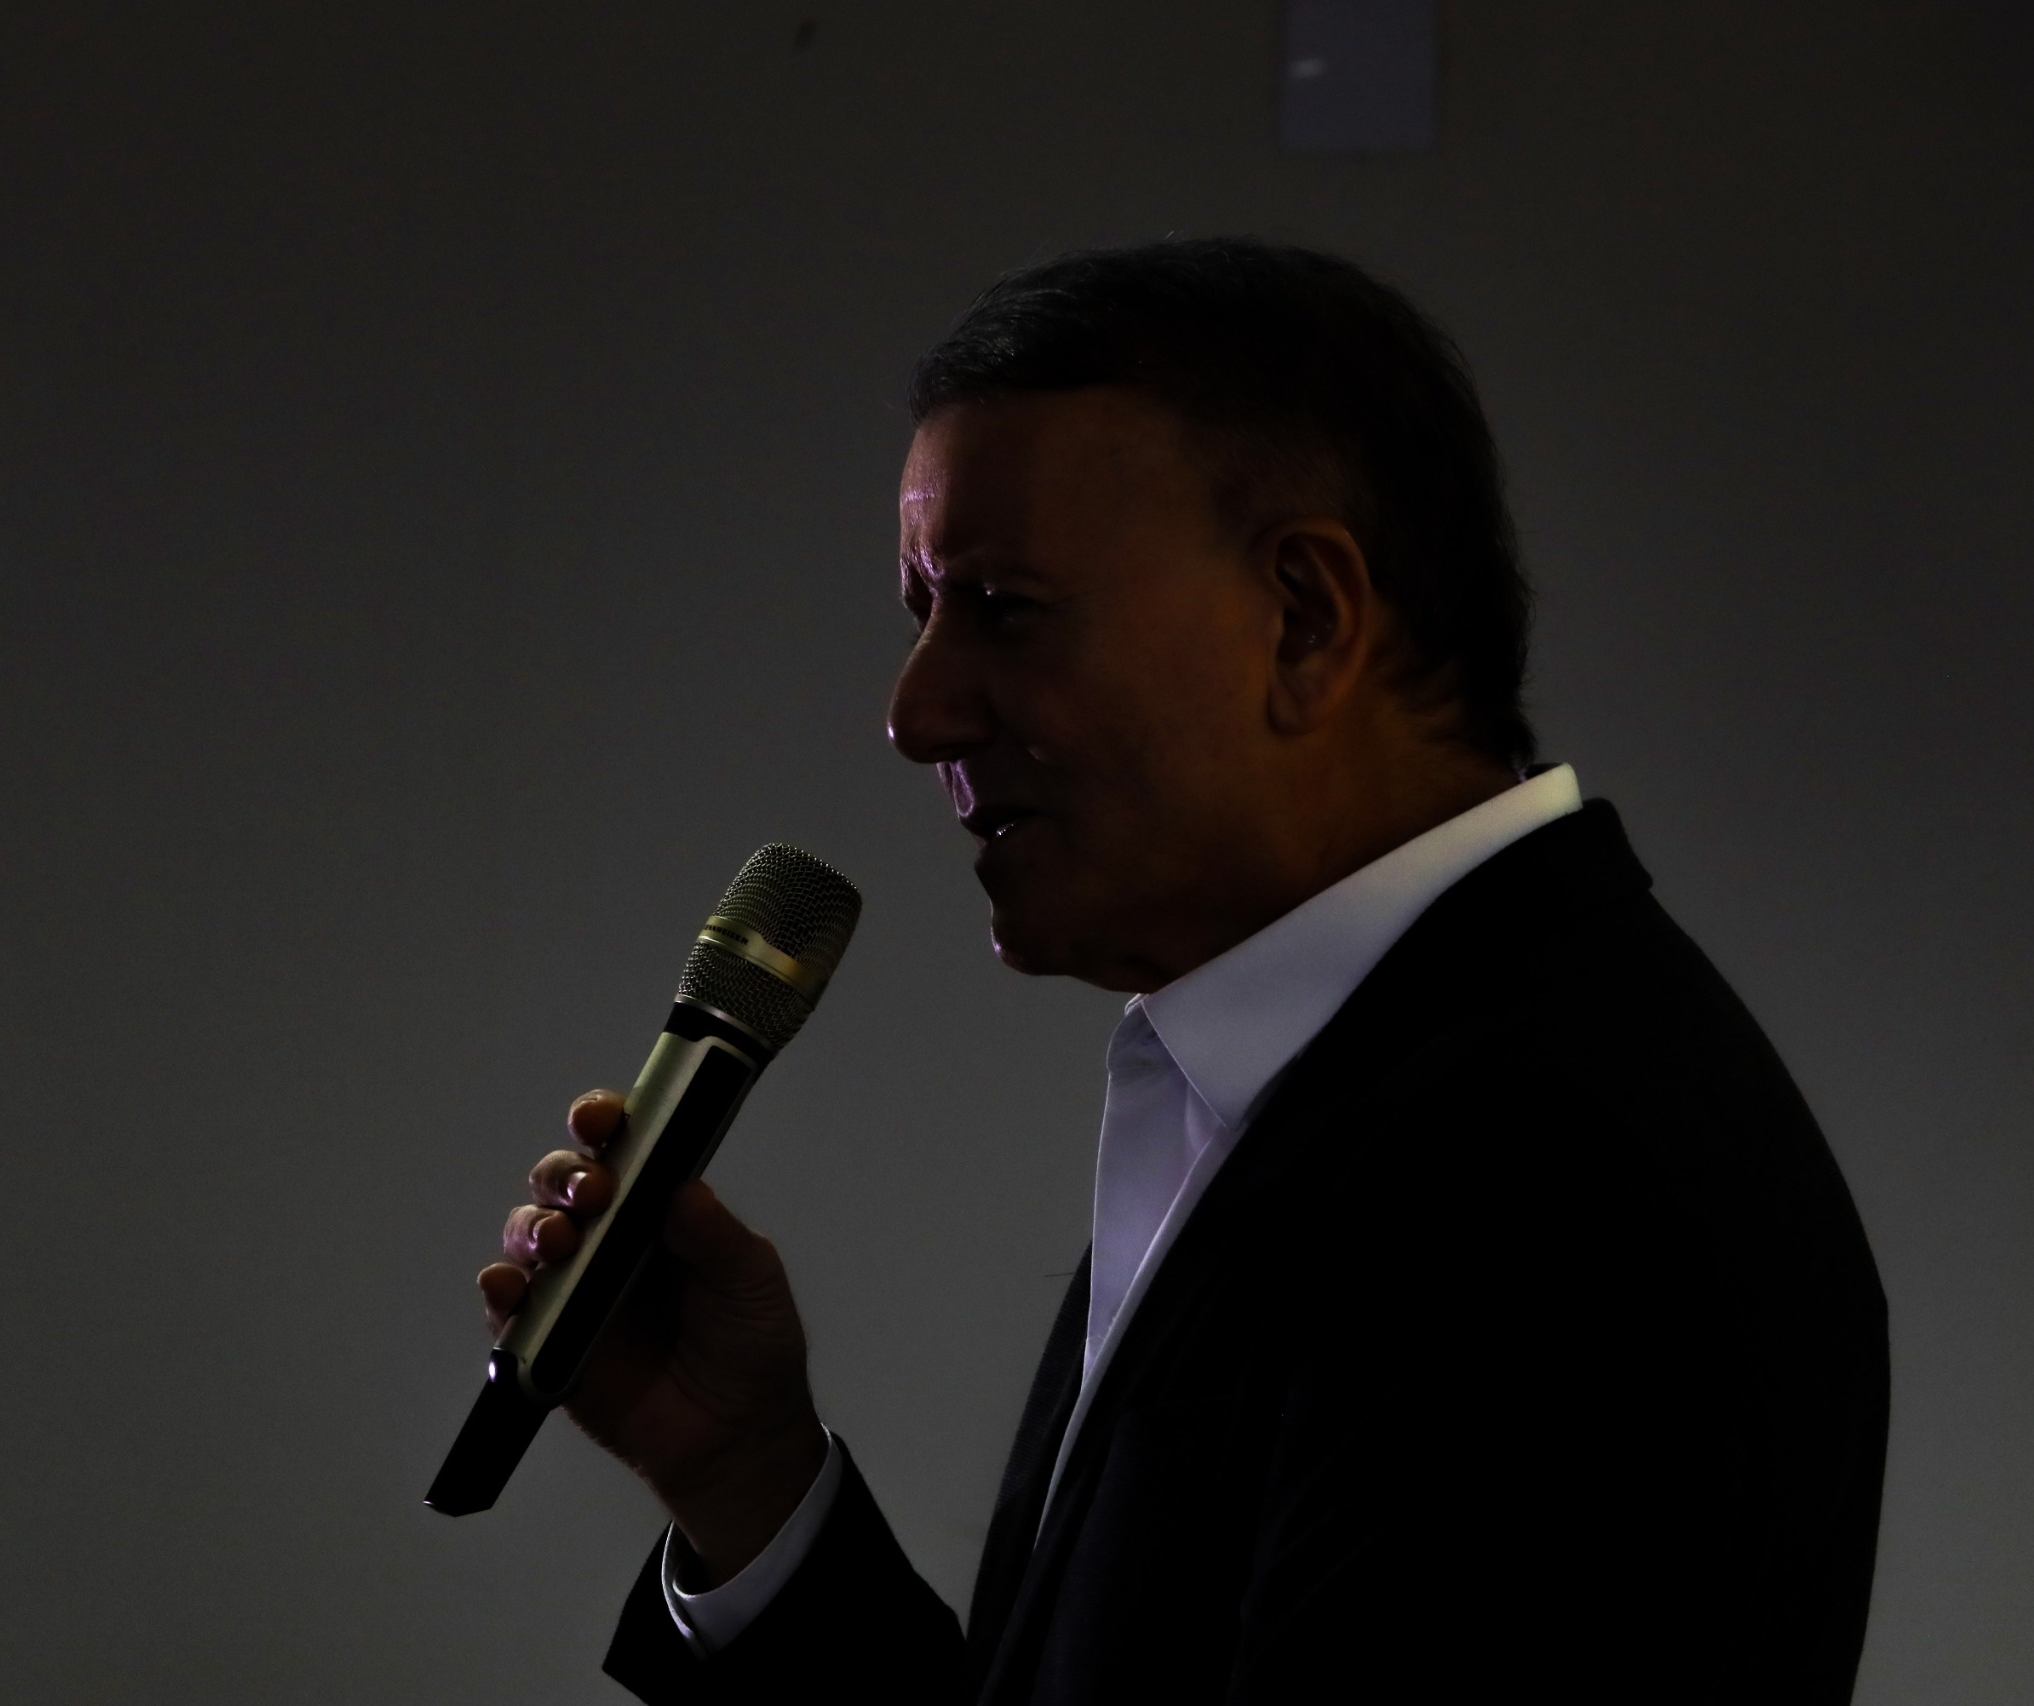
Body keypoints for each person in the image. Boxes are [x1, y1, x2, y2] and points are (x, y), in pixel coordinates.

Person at [476, 239, 1890, 1704]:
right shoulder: (1341, 1091)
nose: (915, 713)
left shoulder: (1544, 1181)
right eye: (922, 613)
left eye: (1003, 604)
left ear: (1305, 618)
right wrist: (748, 1476)